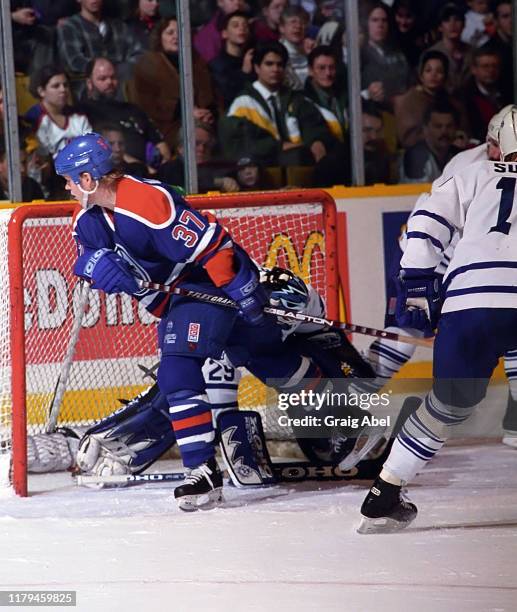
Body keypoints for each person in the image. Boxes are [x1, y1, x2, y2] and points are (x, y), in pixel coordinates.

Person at [53, 132, 326, 511]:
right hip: (180, 299)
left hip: (207, 284)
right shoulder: (88, 220)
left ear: (88, 179)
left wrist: (243, 293)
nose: (65, 187)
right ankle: (342, 410)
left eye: (68, 179)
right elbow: (84, 258)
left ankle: (201, 471)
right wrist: (96, 268)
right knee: (263, 359)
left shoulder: (147, 200)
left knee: (178, 370)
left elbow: (213, 247)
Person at [358, 105, 517, 534]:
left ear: (496, 142)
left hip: (467, 304)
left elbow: (424, 225)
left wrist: (416, 282)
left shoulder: (469, 173)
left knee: (446, 405)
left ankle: (384, 494)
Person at [220, 41, 332, 168]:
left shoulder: (296, 99)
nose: (275, 69)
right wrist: (277, 147)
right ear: (257, 67)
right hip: (262, 173)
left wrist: (316, 141)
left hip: (299, 170)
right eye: (269, 64)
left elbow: (314, 124)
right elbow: (237, 141)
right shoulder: (243, 103)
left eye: (280, 65)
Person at [128, 17, 219, 150]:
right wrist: (187, 112)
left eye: (180, 32)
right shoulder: (148, 63)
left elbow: (213, 96)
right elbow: (148, 106)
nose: (176, 37)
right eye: (170, 33)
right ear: (160, 37)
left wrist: (208, 113)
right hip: (168, 125)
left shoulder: (197, 61)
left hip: (202, 122)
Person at [79, 57, 171, 168]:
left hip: (150, 172)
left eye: (113, 78)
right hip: (117, 171)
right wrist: (143, 168)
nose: (109, 82)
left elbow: (160, 143)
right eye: (102, 79)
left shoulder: (133, 109)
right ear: (89, 83)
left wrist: (165, 161)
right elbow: (103, 150)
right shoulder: (84, 112)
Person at [57, 0, 143, 99]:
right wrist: (103, 71)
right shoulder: (70, 26)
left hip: (120, 84)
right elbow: (73, 61)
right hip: (88, 91)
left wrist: (119, 70)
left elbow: (139, 54)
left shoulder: (119, 26)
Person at [393, 50, 469, 149]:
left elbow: (465, 130)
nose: (433, 75)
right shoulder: (408, 101)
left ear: (445, 76)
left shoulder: (452, 101)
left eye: (439, 71)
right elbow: (408, 139)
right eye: (428, 70)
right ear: (421, 75)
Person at [24, 65, 92, 158]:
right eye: (56, 86)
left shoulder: (79, 115)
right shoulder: (33, 118)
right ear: (41, 91)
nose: (63, 90)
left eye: (66, 85)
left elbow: (91, 147)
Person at [157, 122, 239, 193]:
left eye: (207, 145)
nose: (202, 149)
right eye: (196, 144)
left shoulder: (217, 167)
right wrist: (217, 182)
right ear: (180, 148)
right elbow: (181, 190)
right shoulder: (170, 169)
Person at [359, 2, 410, 111]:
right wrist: (368, 94)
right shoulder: (359, 54)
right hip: (372, 112)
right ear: (366, 23)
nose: (380, 25)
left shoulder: (397, 52)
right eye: (375, 20)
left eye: (384, 20)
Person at [399, 104, 460, 183]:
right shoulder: (416, 156)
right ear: (425, 129)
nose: (444, 132)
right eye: (438, 126)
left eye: (449, 126)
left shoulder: (458, 155)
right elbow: (418, 193)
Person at [208, 11, 255, 109]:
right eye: (235, 26)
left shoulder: (252, 58)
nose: (242, 28)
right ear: (224, 33)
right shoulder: (217, 64)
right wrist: (244, 73)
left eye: (245, 26)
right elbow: (227, 95)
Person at [463, 46, 506, 142]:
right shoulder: (465, 98)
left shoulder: (507, 93)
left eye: (494, 66)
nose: (491, 70)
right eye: (485, 66)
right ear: (474, 69)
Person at [428, 3, 473, 96]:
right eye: (447, 20)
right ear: (440, 27)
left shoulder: (473, 52)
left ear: (464, 24)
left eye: (457, 20)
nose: (452, 25)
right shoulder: (431, 54)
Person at [278, 5, 312, 90]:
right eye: (293, 22)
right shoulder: (276, 54)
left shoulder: (311, 53)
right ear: (282, 28)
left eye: (302, 22)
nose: (298, 26)